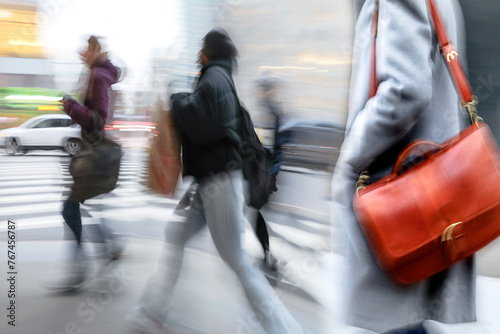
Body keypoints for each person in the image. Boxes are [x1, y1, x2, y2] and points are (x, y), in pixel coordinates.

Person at [126, 28, 306, 334]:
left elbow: (204, 128)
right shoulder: (219, 79)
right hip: (210, 183)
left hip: (220, 182)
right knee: (176, 236)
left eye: (202, 48)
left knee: (238, 262)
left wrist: (178, 100)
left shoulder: (214, 79)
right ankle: (150, 312)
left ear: (210, 52)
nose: (198, 53)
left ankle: (284, 330)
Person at [331, 1, 476, 333]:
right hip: (429, 191)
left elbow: (406, 90)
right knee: (409, 319)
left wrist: (352, 156)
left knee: (399, 320)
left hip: (398, 199)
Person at [54, 35, 121, 290]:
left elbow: (98, 119)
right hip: (91, 151)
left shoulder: (98, 76)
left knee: (70, 208)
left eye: (85, 48)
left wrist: (70, 106)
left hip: (92, 153)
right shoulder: (97, 74)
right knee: (77, 206)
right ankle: (108, 248)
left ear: (94, 49)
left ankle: (82, 267)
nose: (81, 53)